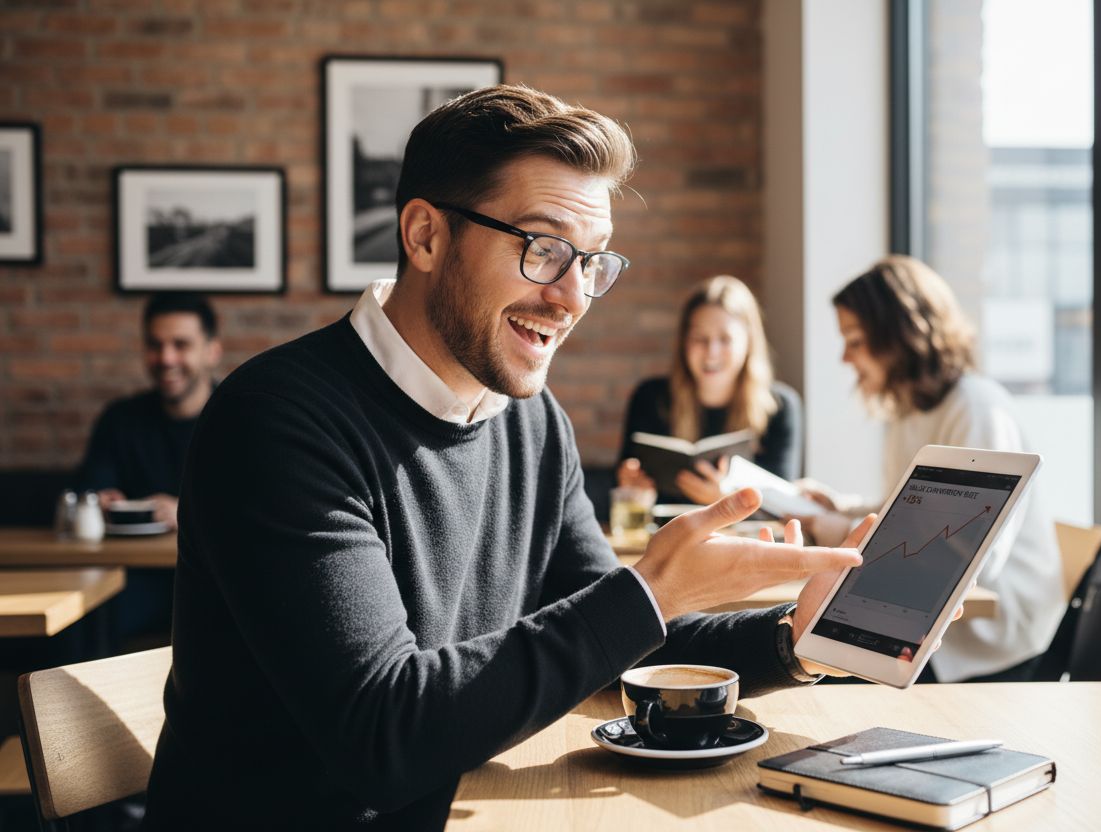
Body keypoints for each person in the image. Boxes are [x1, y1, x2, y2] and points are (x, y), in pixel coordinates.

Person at [142, 86, 868, 831]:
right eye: (543, 249)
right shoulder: (278, 421)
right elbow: (384, 734)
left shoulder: (530, 422)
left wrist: (793, 636)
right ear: (425, 237)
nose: (572, 297)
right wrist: (651, 591)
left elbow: (615, 637)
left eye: (591, 262)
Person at [796, 255, 1066, 684]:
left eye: (856, 339)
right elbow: (910, 513)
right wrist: (842, 507)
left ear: (898, 338)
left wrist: (836, 528)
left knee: (826, 668)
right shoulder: (909, 412)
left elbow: (974, 557)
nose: (845, 357)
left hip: (990, 637)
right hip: (935, 623)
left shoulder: (976, 409)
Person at [76, 291, 221, 642]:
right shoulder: (121, 419)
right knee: (82, 614)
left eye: (180, 344)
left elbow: (260, 506)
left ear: (211, 351)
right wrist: (101, 501)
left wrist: (185, 512)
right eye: (155, 345)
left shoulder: (237, 418)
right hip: (130, 577)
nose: (166, 358)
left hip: (212, 580)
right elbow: (89, 491)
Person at [617, 275, 802, 504]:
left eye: (725, 339)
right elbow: (623, 483)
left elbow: (783, 506)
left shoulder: (780, 406)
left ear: (748, 343)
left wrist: (728, 503)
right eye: (699, 338)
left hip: (742, 537)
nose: (711, 352)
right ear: (684, 343)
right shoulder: (650, 398)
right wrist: (629, 482)